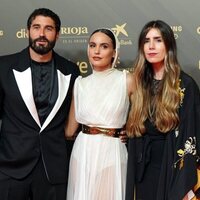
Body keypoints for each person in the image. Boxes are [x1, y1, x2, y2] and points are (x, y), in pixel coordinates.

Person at [0, 8, 80, 200]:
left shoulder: (71, 70)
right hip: (11, 168)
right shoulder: (4, 67)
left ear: (57, 34)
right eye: (37, 27)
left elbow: (79, 116)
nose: (42, 34)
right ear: (28, 31)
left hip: (53, 170)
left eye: (48, 28)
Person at [125, 20, 200, 200]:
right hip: (142, 169)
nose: (151, 46)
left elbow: (192, 137)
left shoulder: (185, 85)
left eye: (158, 40)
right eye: (146, 40)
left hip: (172, 169)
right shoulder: (138, 83)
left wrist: (184, 185)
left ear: (169, 44)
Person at [65, 28, 134, 200]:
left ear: (114, 52)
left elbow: (144, 117)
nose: (96, 51)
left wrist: (130, 133)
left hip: (112, 153)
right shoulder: (80, 84)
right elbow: (69, 130)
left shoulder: (126, 80)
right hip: (82, 153)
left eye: (104, 46)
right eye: (92, 45)